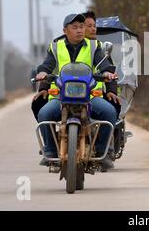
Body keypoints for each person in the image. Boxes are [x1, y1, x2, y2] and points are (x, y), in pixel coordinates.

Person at [35, 13, 118, 170]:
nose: (79, 30)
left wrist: (107, 72)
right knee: (44, 113)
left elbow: (104, 63)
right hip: (61, 96)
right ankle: (51, 152)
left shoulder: (94, 46)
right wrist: (42, 74)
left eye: (81, 27)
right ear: (65, 30)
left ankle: (103, 152)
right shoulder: (55, 46)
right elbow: (47, 65)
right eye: (75, 27)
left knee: (109, 112)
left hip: (89, 96)